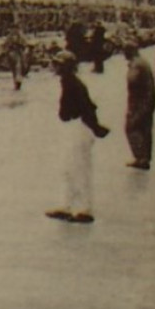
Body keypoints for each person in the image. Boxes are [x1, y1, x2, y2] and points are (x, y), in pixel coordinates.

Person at [47, 52, 110, 225]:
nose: (55, 67)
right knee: (68, 168)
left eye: (58, 64)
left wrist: (95, 128)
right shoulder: (69, 82)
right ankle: (66, 205)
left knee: (79, 169)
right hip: (74, 127)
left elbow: (87, 109)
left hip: (79, 127)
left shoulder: (73, 84)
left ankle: (84, 209)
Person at [122, 41, 155, 170]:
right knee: (145, 129)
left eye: (125, 52)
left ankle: (140, 158)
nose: (123, 55)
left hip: (139, 102)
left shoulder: (136, 64)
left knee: (131, 128)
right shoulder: (143, 62)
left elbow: (132, 80)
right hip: (148, 100)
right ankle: (145, 158)